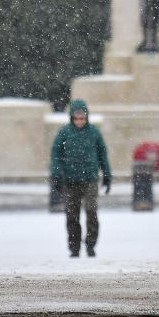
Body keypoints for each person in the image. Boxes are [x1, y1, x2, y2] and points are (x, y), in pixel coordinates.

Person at [49, 99, 112, 257]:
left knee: (91, 211)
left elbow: (102, 155)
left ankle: (90, 244)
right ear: (71, 118)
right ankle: (74, 247)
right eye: (76, 118)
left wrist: (107, 174)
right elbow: (56, 155)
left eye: (82, 118)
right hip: (70, 180)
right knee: (72, 215)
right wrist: (56, 175)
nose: (79, 121)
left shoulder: (94, 133)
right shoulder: (64, 133)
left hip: (90, 178)